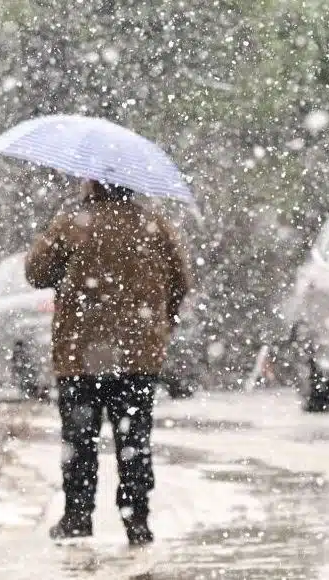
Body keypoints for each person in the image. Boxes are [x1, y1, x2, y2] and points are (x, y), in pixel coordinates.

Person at [25, 179, 192, 546]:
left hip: (80, 356)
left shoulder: (73, 223)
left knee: (79, 441)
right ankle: (137, 520)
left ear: (93, 183)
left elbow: (36, 274)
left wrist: (57, 248)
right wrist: (161, 324)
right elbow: (181, 280)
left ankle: (78, 516)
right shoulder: (155, 226)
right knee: (134, 441)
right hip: (138, 357)